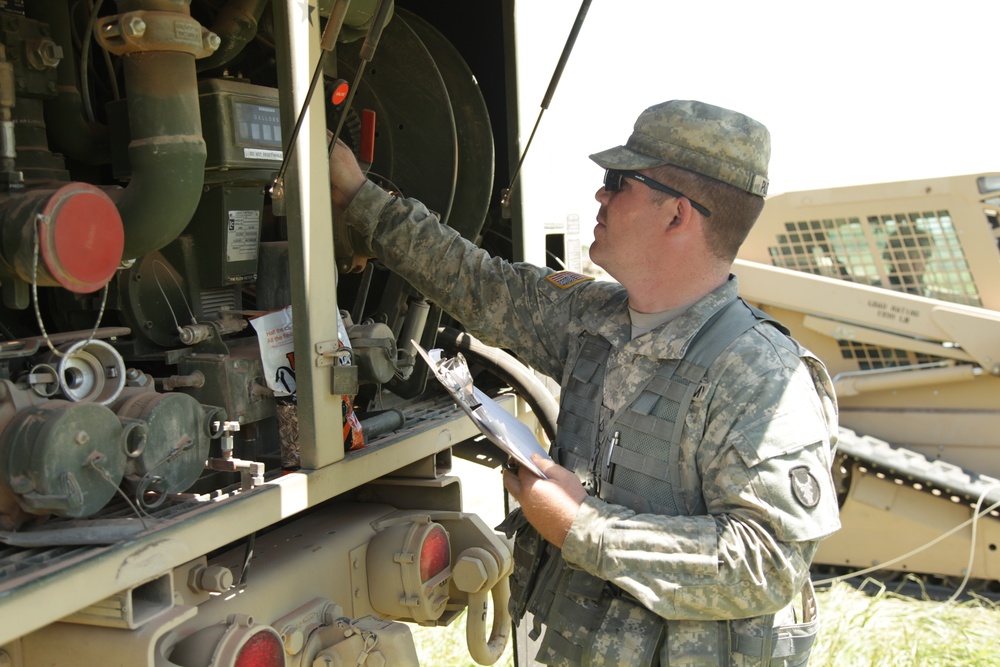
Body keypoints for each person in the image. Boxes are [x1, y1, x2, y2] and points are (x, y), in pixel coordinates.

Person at [328, 100, 841, 666]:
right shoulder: (593, 318)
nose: (601, 195)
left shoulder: (763, 372)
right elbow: (475, 281)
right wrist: (358, 196)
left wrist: (582, 526)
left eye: (619, 182)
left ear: (677, 215)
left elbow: (766, 563)